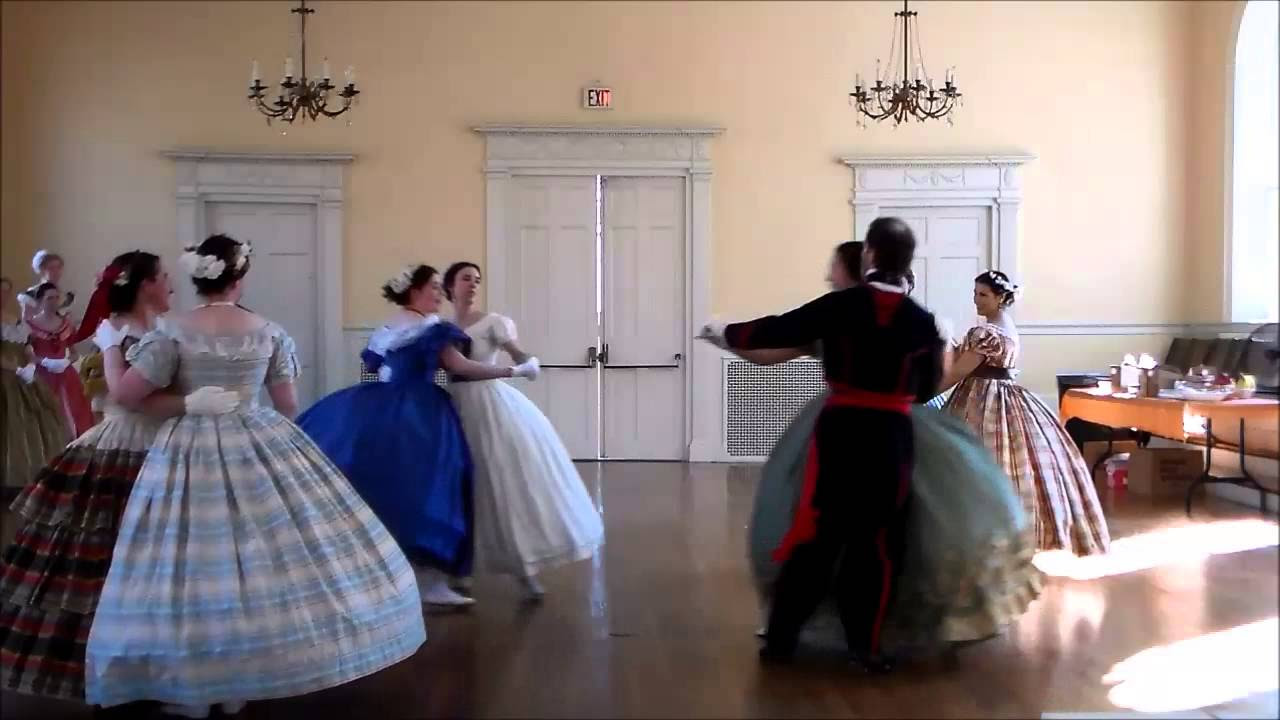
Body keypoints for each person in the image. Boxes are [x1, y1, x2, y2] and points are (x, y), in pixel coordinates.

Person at [84, 235, 425, 717]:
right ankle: (245, 670)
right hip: (257, 438)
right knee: (254, 556)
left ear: (195, 278)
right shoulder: (269, 331)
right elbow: (287, 404)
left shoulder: (172, 332)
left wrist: (146, 373)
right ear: (239, 279)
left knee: (190, 557)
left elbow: (129, 395)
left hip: (190, 446)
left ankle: (190, 677)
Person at [741, 242, 1041, 658]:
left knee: (870, 534)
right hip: (870, 427)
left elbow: (933, 376)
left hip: (881, 428)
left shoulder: (893, 320)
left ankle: (860, 629)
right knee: (858, 536)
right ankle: (849, 632)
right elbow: (777, 349)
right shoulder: (875, 317)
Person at [700, 217, 944, 672]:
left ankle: (781, 643)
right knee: (877, 544)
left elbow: (778, 328)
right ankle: (865, 648)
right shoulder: (922, 322)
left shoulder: (842, 306)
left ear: (870, 253)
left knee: (817, 536)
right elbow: (928, 387)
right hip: (892, 439)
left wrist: (725, 332)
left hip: (843, 431)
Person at [0, 252, 242, 702]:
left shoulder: (167, 329)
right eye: (163, 277)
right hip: (126, 445)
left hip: (171, 443)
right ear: (145, 284)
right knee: (108, 552)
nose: (171, 284)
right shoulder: (119, 330)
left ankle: (178, 657)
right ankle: (114, 659)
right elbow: (118, 395)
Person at [299, 264, 539, 607]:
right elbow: (460, 367)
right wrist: (514, 370)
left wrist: (366, 410)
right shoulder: (432, 328)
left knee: (390, 486)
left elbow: (370, 372)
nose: (440, 294)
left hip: (379, 404)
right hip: (421, 412)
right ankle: (430, 580)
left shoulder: (387, 328)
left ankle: (387, 571)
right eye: (434, 287)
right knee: (435, 483)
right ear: (415, 290)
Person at [443, 262, 604, 601]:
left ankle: (524, 571)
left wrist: (529, 363)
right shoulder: (439, 327)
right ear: (449, 285)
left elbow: (518, 353)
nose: (472, 285)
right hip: (452, 406)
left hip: (488, 405)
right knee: (460, 488)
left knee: (500, 484)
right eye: (465, 279)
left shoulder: (493, 322)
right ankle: (461, 570)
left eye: (477, 280)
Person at [940, 270, 1110, 556]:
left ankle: (980, 533)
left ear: (1001, 297)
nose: (976, 300)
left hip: (981, 398)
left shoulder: (986, 332)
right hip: (1004, 393)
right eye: (975, 293)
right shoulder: (1006, 326)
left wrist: (921, 396)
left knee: (978, 461)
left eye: (983, 295)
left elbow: (957, 372)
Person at [0, 277, 69, 503]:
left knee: (35, 420)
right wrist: (16, 369)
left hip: (23, 376)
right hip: (6, 375)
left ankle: (30, 475)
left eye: (7, 292)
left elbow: (28, 348)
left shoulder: (17, 321)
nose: (4, 296)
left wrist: (32, 364)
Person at [25, 282, 95, 435]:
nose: (54, 301)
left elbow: (74, 352)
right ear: (40, 301)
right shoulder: (29, 325)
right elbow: (26, 354)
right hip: (41, 375)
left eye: (57, 297)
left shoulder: (66, 325)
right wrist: (44, 361)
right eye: (50, 298)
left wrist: (66, 361)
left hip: (65, 374)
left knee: (74, 412)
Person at [18, 250, 75, 321]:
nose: (56, 271)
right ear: (42, 270)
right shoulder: (32, 294)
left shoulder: (65, 295)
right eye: (51, 268)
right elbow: (26, 322)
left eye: (59, 267)